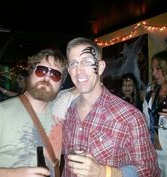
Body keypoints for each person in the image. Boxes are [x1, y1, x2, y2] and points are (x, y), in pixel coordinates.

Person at [0, 48, 68, 177]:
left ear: (61, 84)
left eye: (55, 74)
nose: (47, 77)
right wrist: (15, 174)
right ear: (30, 73)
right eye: (41, 70)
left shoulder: (62, 115)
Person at [62, 37, 160, 177]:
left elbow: (151, 171)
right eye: (74, 64)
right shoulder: (68, 110)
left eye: (87, 62)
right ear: (69, 70)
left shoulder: (131, 116)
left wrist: (104, 172)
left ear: (101, 67)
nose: (79, 71)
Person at [142, 49, 167, 177]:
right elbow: (145, 121)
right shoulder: (151, 92)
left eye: (158, 68)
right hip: (152, 156)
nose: (153, 73)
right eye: (153, 69)